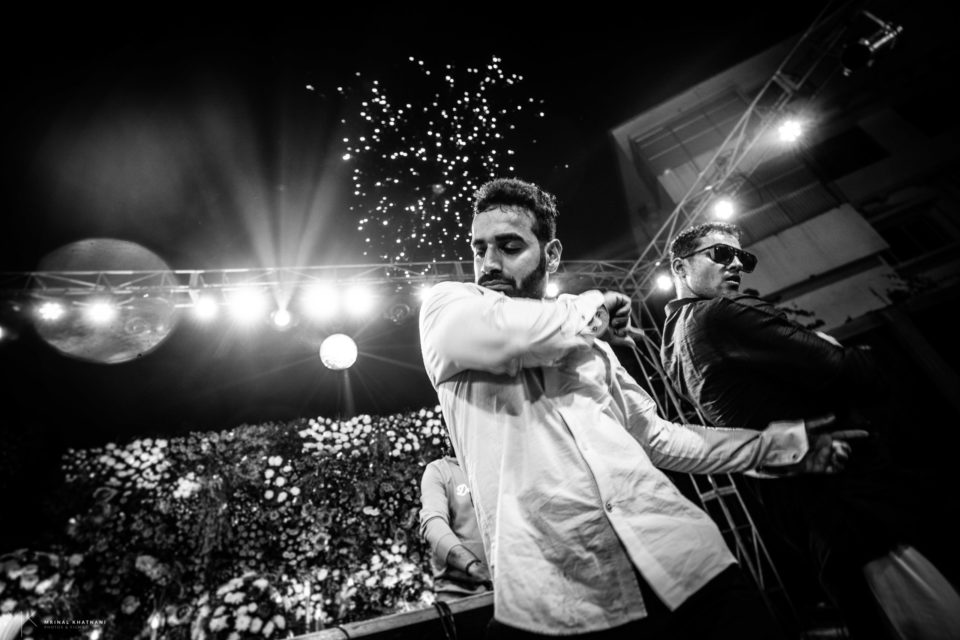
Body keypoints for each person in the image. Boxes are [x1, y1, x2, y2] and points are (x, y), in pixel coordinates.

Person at [418, 177, 863, 640]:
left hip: (686, 565)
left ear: (551, 255)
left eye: (509, 247)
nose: (489, 263)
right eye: (479, 249)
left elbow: (657, 436)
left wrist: (779, 447)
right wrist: (594, 304)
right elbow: (513, 333)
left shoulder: (592, 342)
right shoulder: (448, 308)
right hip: (559, 599)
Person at [660, 221, 960, 640]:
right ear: (679, 267)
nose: (737, 265)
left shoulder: (672, 344)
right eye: (721, 254)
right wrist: (837, 348)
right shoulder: (722, 314)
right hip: (856, 503)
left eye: (743, 257)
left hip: (813, 515)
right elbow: (847, 370)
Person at [419, 454, 493, 602]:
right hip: (460, 595)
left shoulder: (496, 463)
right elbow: (433, 523)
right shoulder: (438, 470)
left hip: (510, 588)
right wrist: (474, 566)